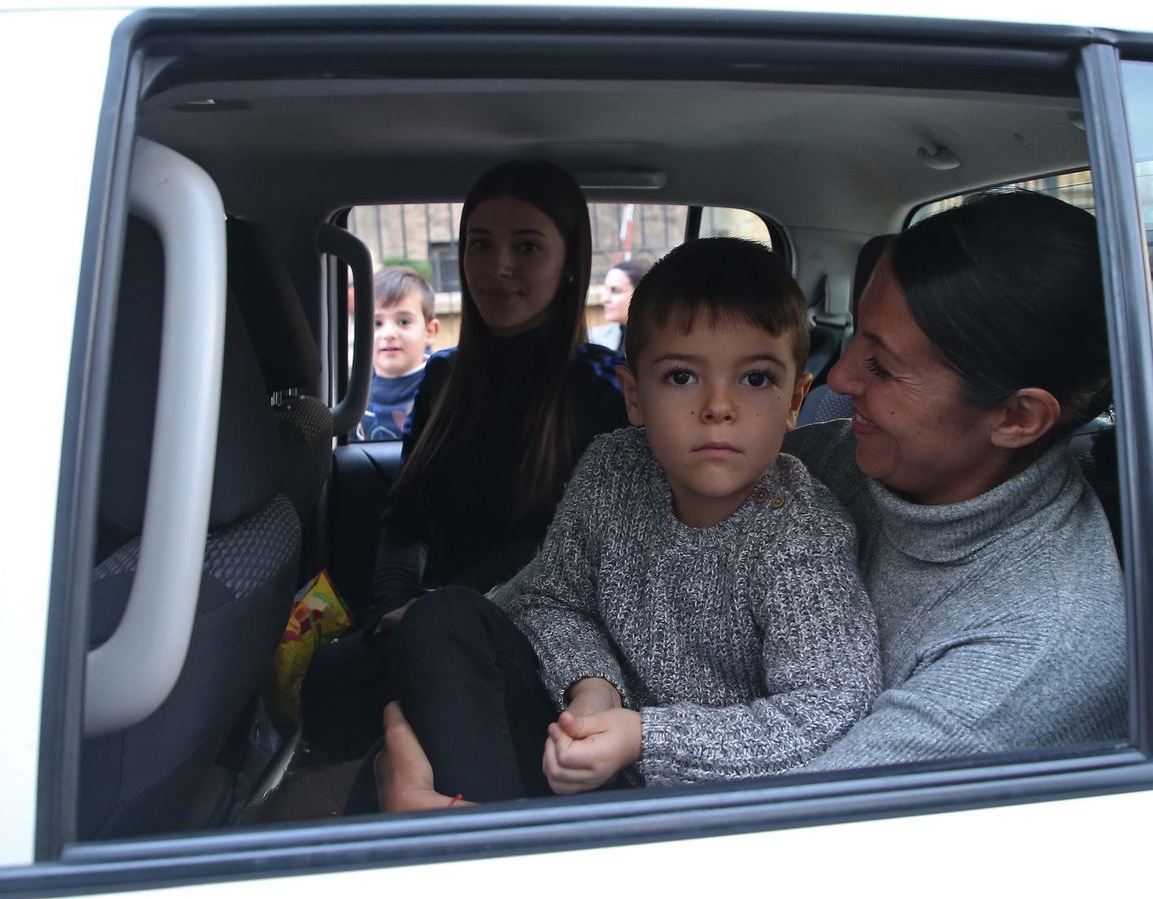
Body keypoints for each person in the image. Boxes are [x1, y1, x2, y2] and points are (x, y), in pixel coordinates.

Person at [373, 189, 1127, 807]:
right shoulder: (843, 454)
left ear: (1018, 417)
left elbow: (789, 845)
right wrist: (588, 683)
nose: (840, 381)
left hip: (728, 835)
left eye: (885, 367)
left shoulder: (1031, 651)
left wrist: (459, 846)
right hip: (605, 745)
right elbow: (570, 576)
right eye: (855, 338)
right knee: (440, 629)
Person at [374, 237, 878, 806]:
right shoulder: (613, 470)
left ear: (795, 400)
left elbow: (827, 712)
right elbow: (552, 598)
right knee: (441, 618)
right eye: (682, 377)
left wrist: (644, 737)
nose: (718, 406)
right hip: (585, 748)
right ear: (634, 396)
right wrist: (593, 689)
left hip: (701, 799)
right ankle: (487, 834)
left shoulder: (801, 536)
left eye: (755, 378)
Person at [301, 160, 630, 757]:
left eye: (526, 246)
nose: (497, 267)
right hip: (436, 620)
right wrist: (391, 610)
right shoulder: (444, 379)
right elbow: (406, 516)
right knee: (328, 680)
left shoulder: (603, 392)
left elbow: (589, 557)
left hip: (553, 637)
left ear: (570, 263)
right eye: (480, 243)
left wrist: (444, 611)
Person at [356, 266, 439, 442]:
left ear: (430, 331)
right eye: (377, 323)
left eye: (403, 321)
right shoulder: (351, 393)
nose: (388, 334)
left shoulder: (443, 388)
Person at [587, 256, 652, 352]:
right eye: (606, 290)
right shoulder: (596, 338)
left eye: (615, 291)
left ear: (640, 295)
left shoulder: (657, 343)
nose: (605, 299)